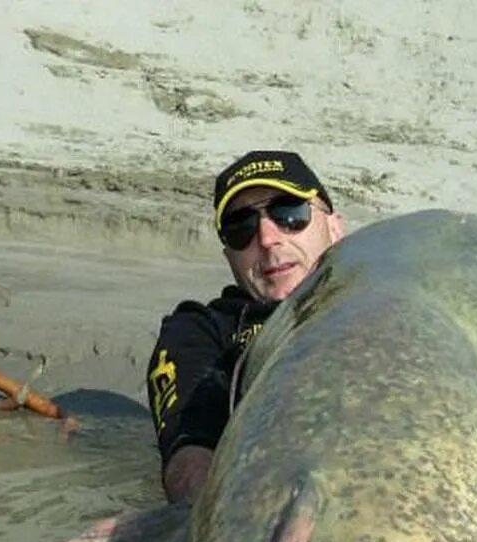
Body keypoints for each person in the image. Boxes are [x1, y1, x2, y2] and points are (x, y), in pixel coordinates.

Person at [145, 150, 346, 503]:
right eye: (242, 228)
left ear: (334, 227)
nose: (268, 239)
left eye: (289, 213)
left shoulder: (389, 305)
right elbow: (189, 455)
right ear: (229, 257)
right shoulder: (200, 331)